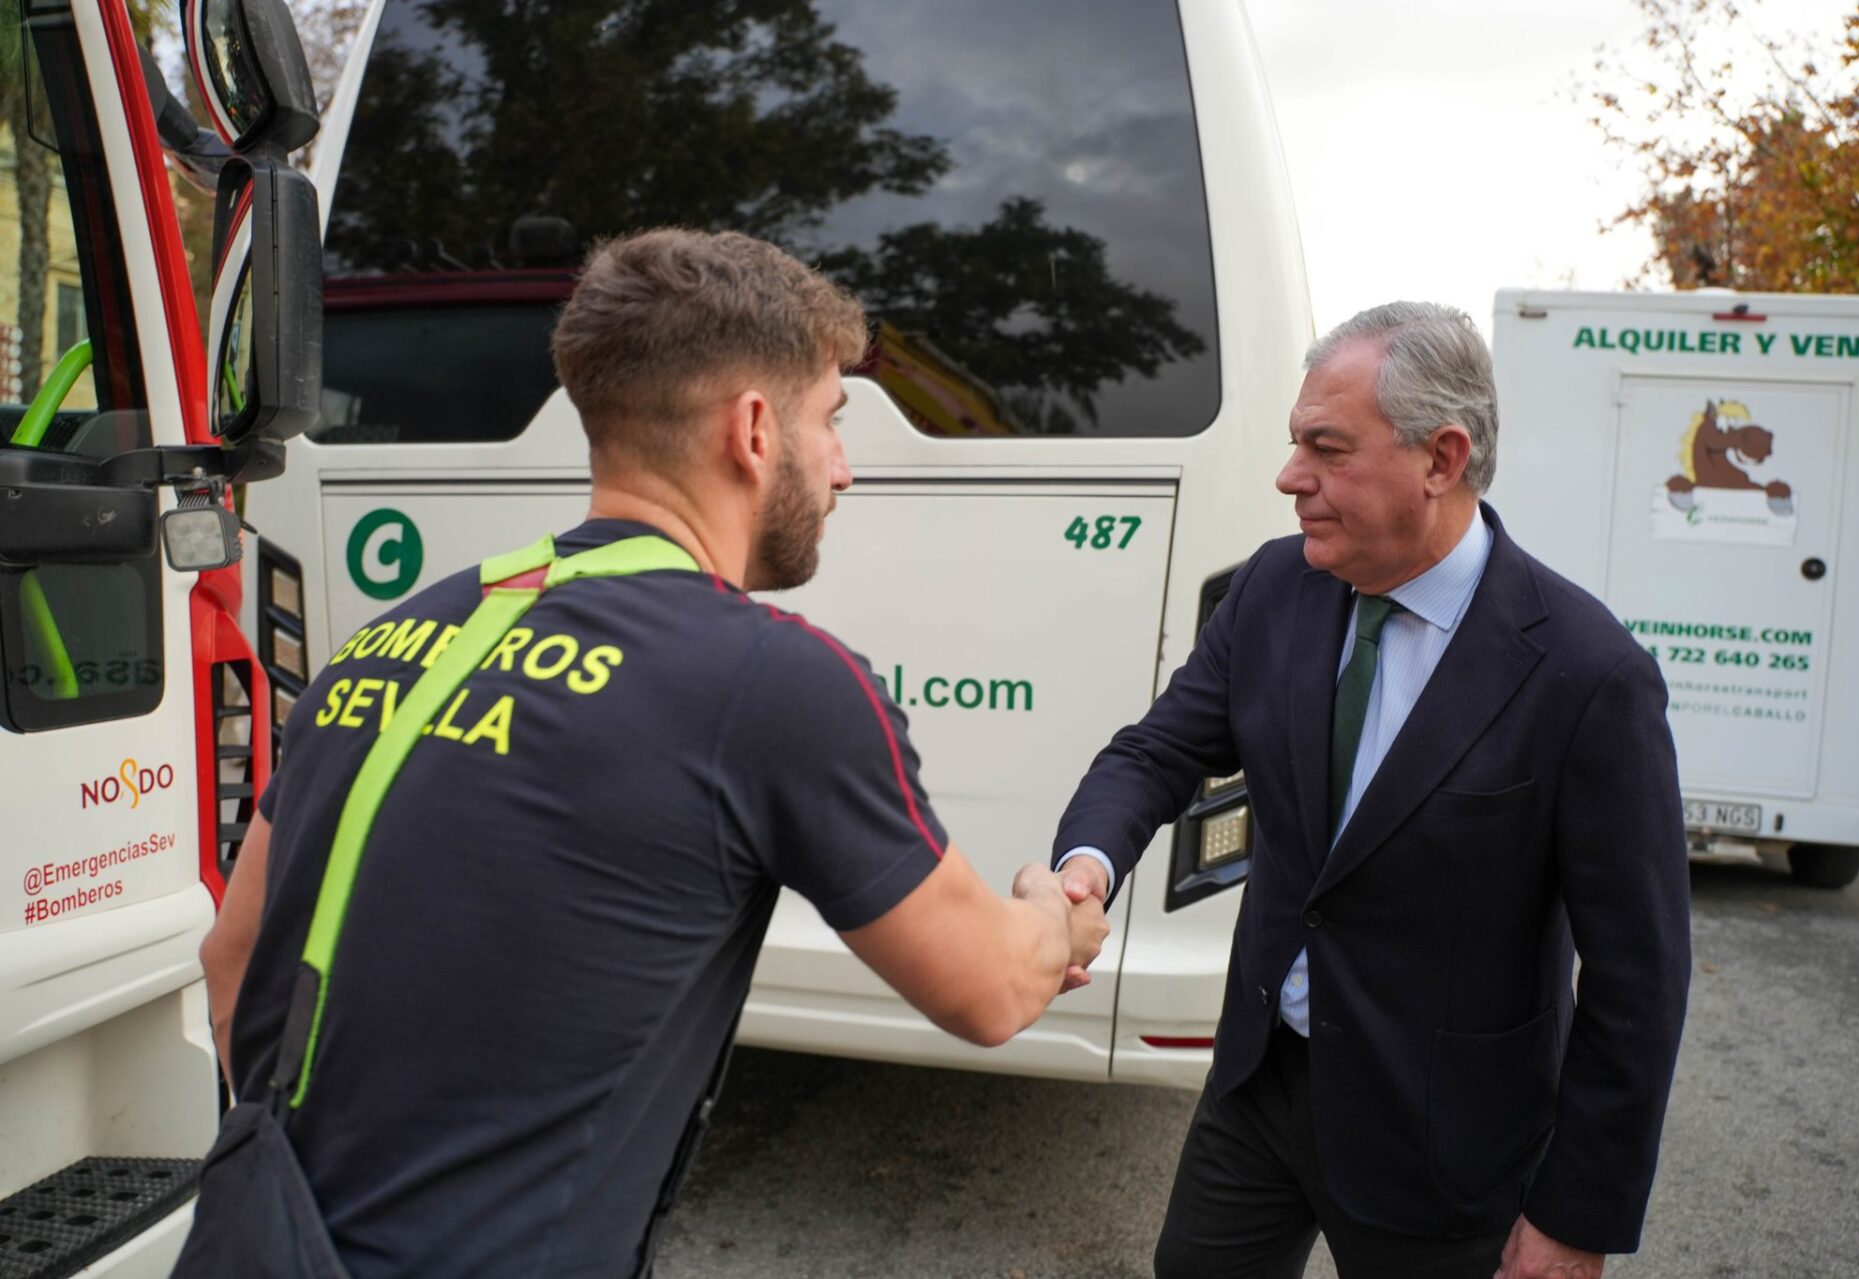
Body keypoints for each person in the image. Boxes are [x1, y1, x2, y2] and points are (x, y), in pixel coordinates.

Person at [186, 228, 1107, 1277]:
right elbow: (990, 989)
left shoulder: (393, 635)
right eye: (831, 420)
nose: (844, 469)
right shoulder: (776, 681)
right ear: (755, 431)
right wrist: (1057, 915)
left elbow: (232, 954)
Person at [1053, 302, 1690, 1279]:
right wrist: (1083, 872)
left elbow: (1638, 979)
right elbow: (1156, 752)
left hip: (1445, 1142)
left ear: (1440, 458)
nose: (1288, 476)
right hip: (1260, 1090)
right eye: (1293, 443)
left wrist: (1575, 1215)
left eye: (1326, 447)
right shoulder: (1273, 589)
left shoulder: (1587, 675)